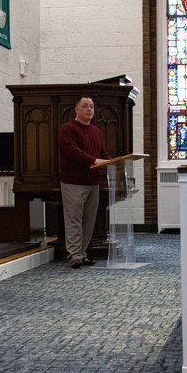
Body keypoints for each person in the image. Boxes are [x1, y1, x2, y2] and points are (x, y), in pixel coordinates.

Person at [57, 94, 111, 269]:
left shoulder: (96, 131)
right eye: (85, 106)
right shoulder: (68, 129)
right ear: (76, 109)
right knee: (74, 219)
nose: (89, 109)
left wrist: (113, 162)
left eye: (91, 107)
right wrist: (94, 161)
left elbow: (101, 152)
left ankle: (82, 254)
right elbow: (72, 152)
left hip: (92, 182)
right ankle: (74, 255)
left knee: (89, 221)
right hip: (73, 182)